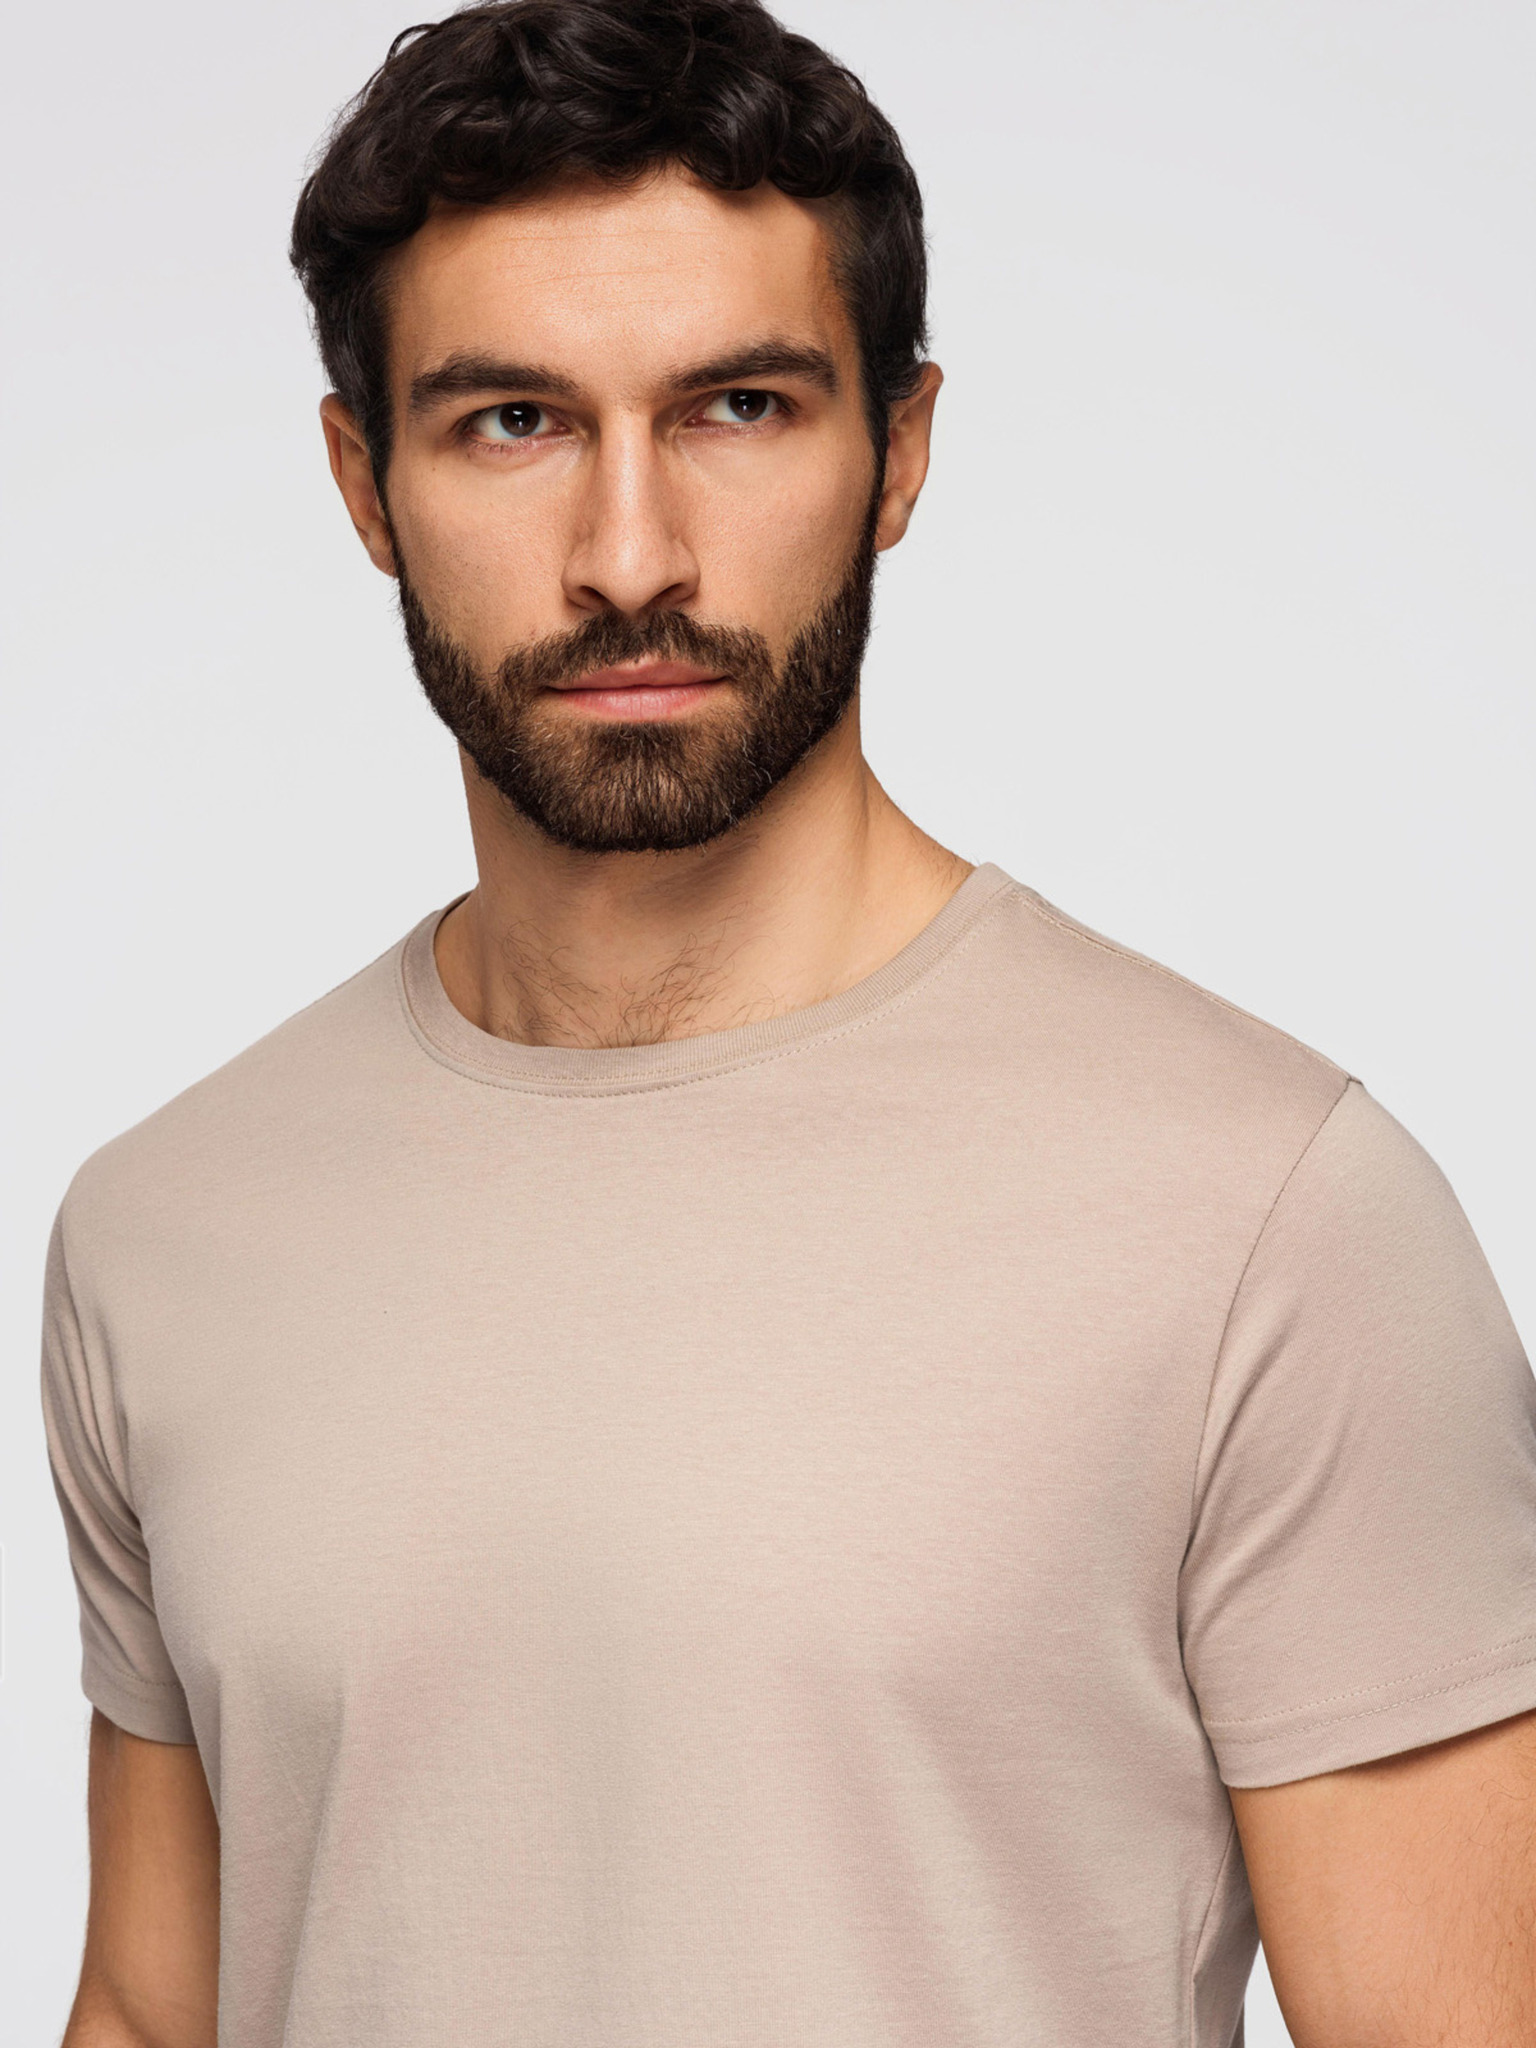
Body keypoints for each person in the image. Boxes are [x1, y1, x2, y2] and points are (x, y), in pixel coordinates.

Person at [39, 2, 1536, 2043]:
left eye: (738, 407)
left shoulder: (1271, 1218)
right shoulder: (163, 1232)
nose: (628, 557)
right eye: (511, 421)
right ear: (362, 481)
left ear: (898, 452)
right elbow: (153, 2004)